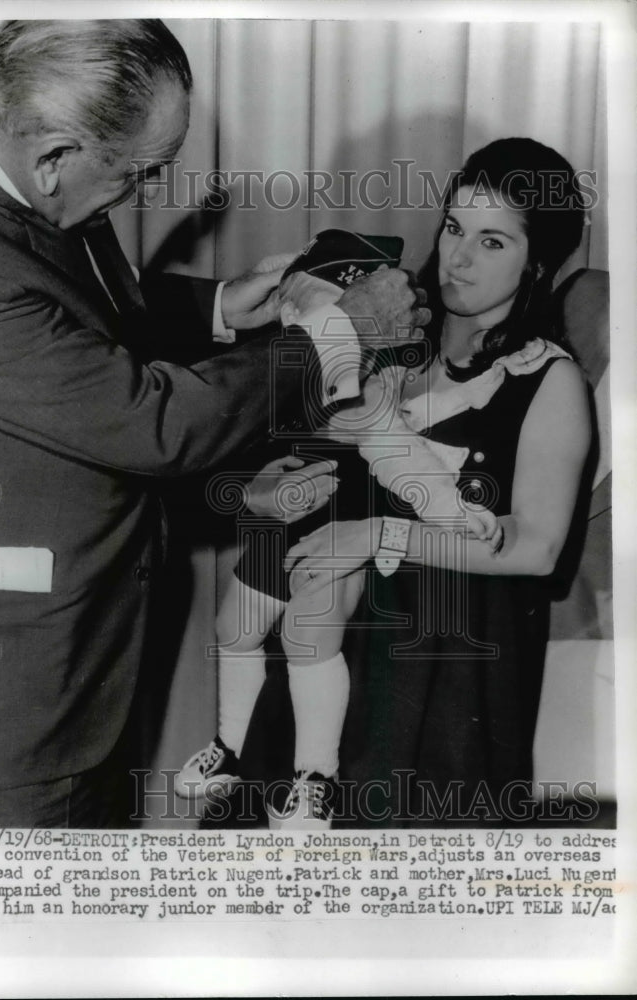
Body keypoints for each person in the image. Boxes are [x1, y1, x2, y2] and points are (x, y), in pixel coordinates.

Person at [0, 19, 429, 828]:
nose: (141, 197)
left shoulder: (1, 142)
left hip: (79, 649)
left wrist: (211, 305)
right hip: (1, 708)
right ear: (55, 157)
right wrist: (336, 334)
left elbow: (59, 307)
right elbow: (155, 424)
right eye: (138, 176)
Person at [199, 137, 592, 828]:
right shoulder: (389, 330)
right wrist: (267, 483)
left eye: (492, 242)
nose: (457, 258)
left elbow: (536, 548)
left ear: (536, 261)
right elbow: (295, 435)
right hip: (329, 640)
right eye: (452, 228)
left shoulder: (547, 379)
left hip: (440, 668)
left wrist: (377, 533)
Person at [174, 233, 504, 829]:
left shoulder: (376, 388)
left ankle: (312, 777)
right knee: (235, 627)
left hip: (344, 515)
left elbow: (400, 456)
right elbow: (230, 439)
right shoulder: (277, 370)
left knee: (308, 631)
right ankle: (229, 748)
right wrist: (250, 485)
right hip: (284, 510)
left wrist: (455, 512)